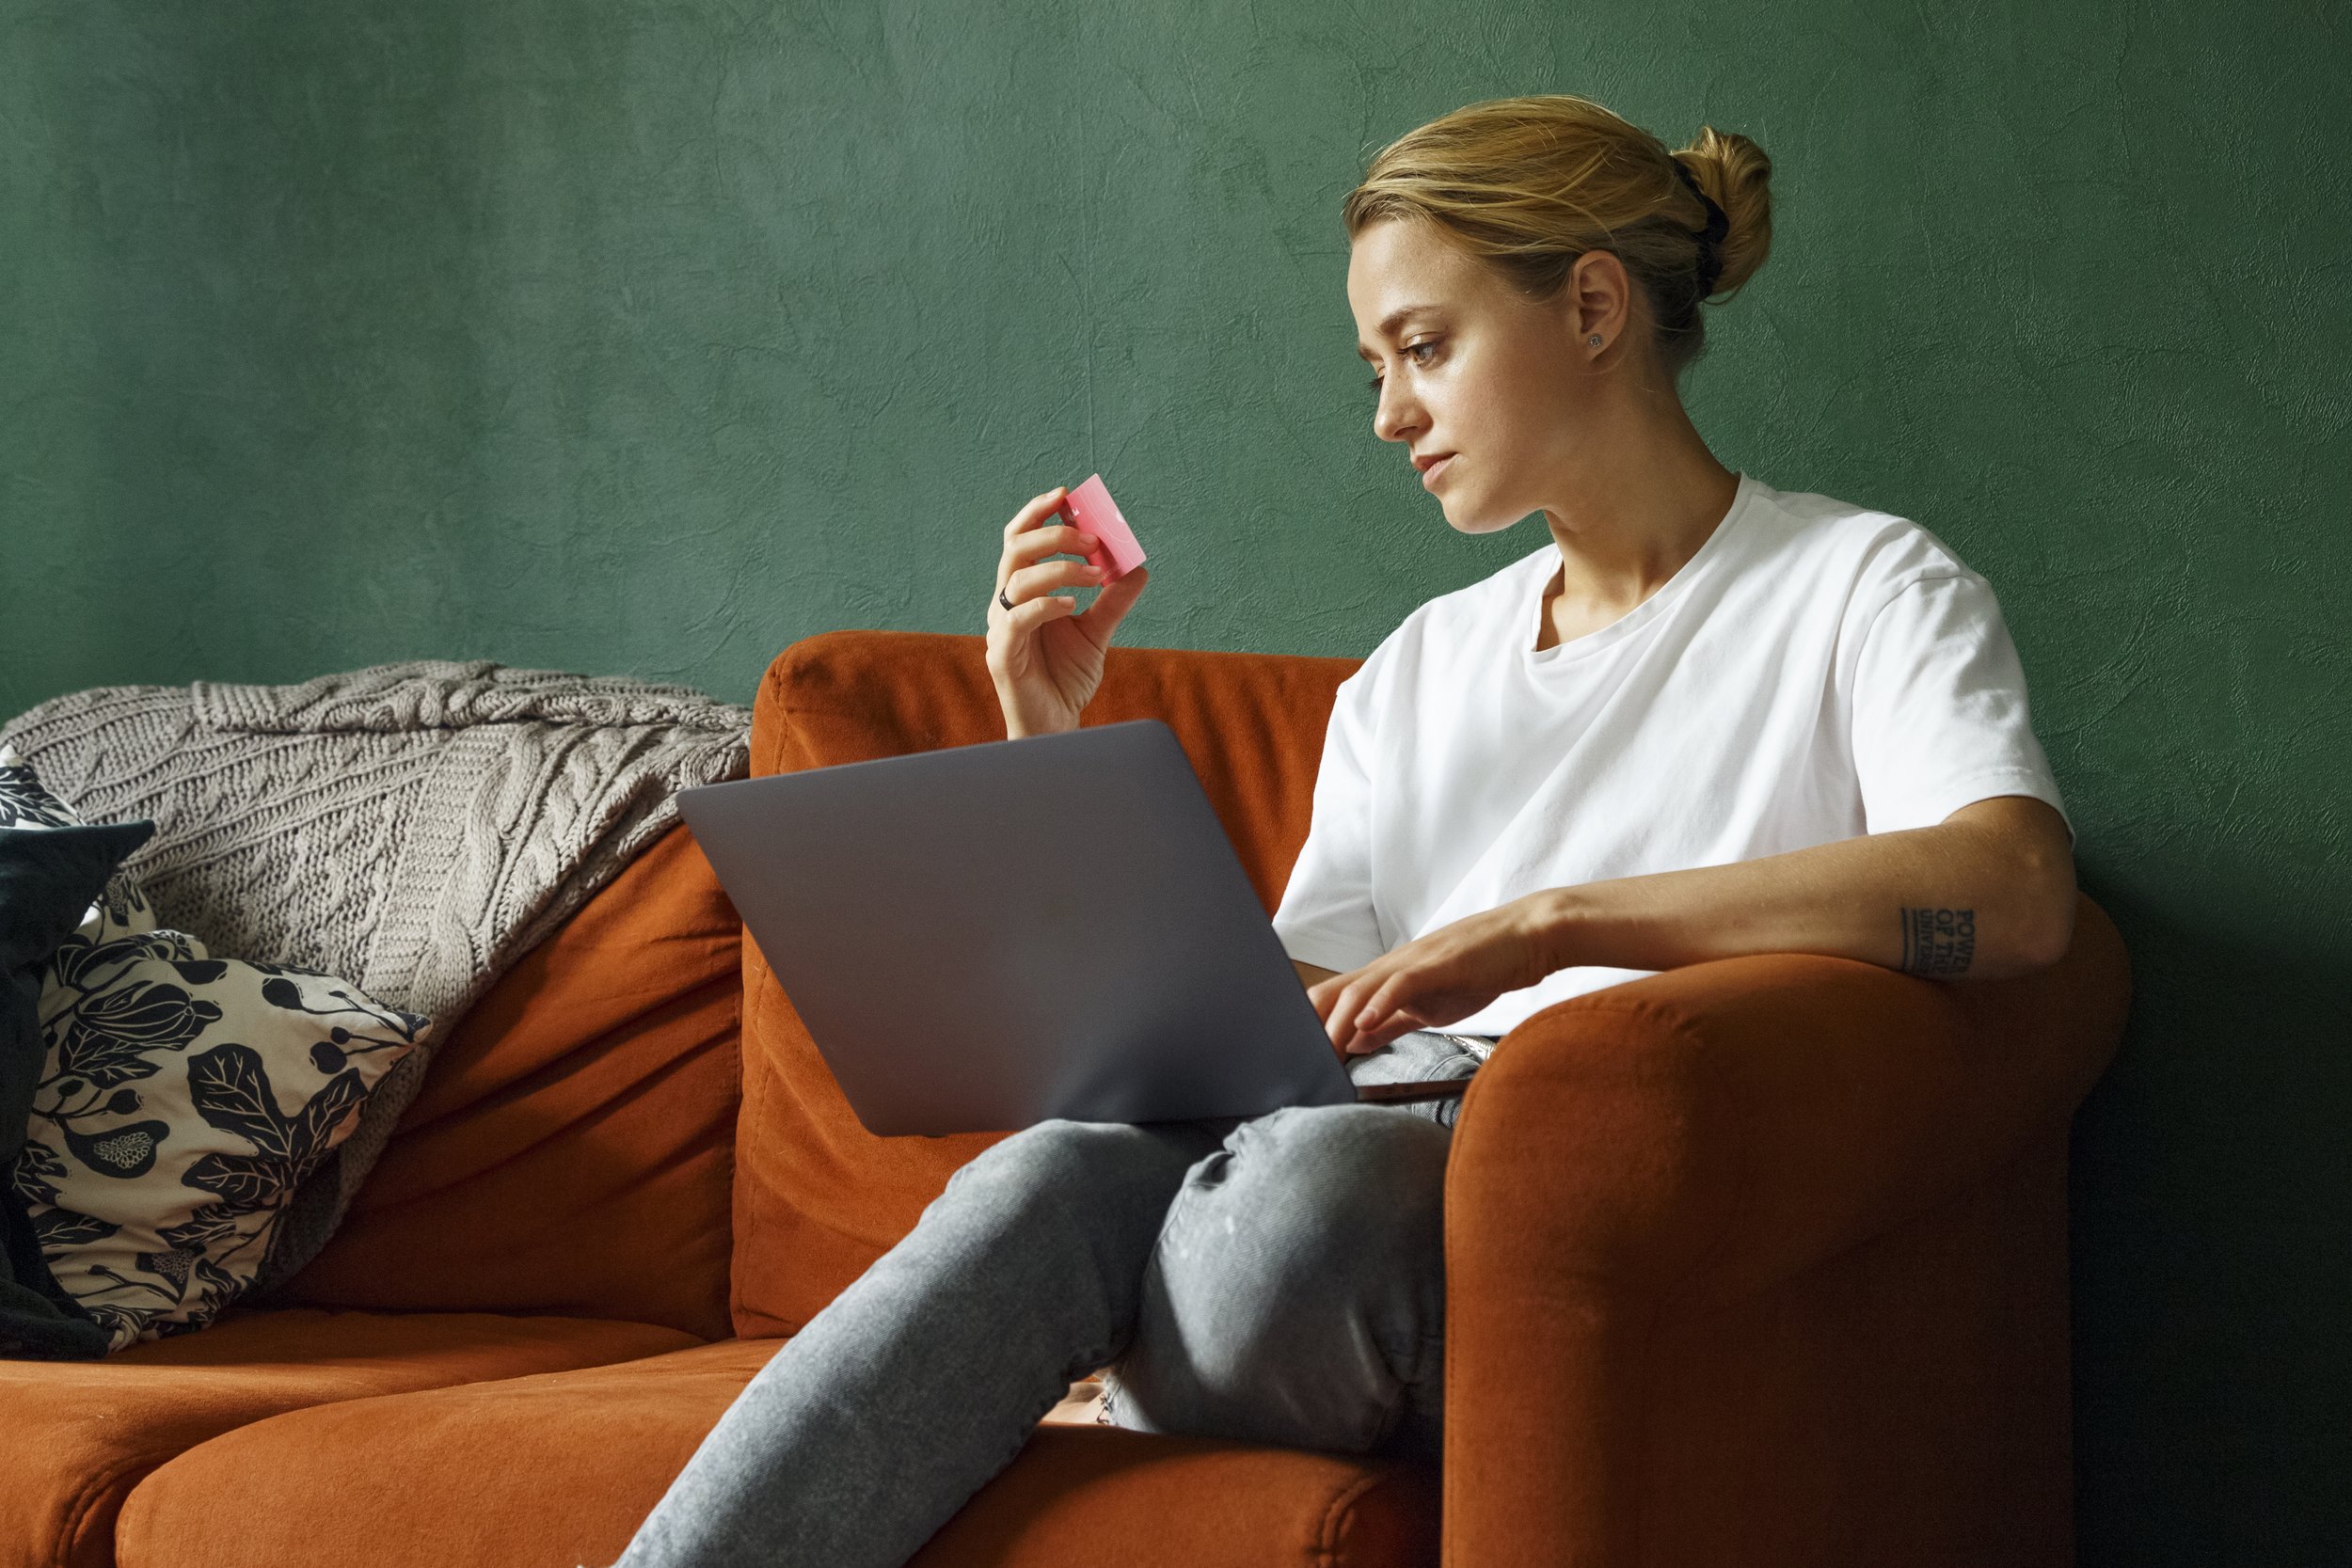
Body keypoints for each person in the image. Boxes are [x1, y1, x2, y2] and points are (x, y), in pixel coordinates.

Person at [602, 92, 2076, 1568]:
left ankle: (1108, 1370)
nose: (1388, 416)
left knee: (1289, 1213)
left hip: (1542, 1210)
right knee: (1045, 1177)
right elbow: (1260, 1050)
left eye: (1425, 349)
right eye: (1375, 367)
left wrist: (1556, 924)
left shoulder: (1864, 589)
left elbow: (2007, 902)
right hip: (1323, 1155)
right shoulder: (1419, 668)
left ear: (1593, 306)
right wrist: (1046, 738)